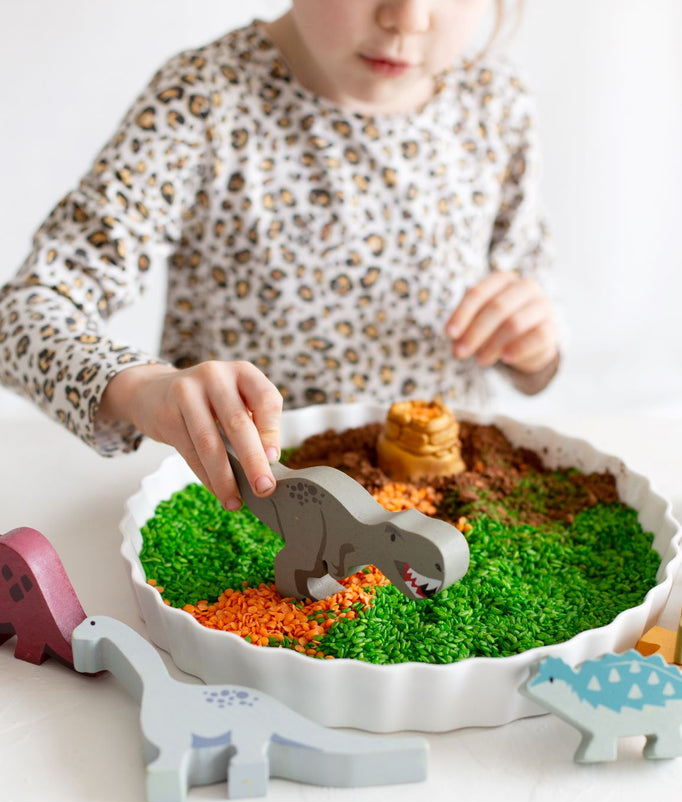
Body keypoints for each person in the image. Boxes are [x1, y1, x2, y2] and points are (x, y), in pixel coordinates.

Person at [0, 0, 561, 510]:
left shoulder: (494, 99)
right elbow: (20, 318)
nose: (408, 17)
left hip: (454, 507)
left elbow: (530, 344)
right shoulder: (205, 99)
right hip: (260, 501)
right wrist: (144, 388)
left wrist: (532, 349)